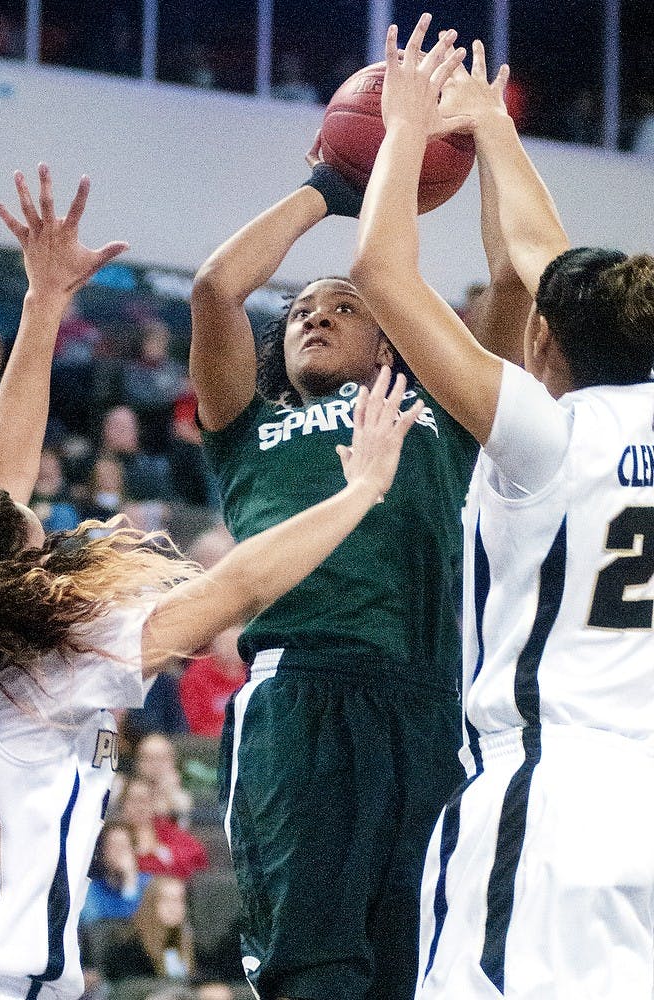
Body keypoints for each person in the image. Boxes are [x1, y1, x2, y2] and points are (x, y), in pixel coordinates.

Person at [0, 165, 424, 1000]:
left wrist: (42, 304)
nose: (49, 529)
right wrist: (359, 493)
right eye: (38, 536)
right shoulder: (53, 666)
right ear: (10, 578)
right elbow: (232, 589)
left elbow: (2, 483)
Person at [189, 56, 530, 1000]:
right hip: (300, 695)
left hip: (428, 700)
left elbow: (513, 284)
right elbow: (217, 289)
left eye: (343, 305)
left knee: (421, 966)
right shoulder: (246, 428)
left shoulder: (443, 408)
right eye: (299, 310)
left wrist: (492, 138)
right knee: (312, 969)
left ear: (392, 340)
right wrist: (328, 188)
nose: (313, 315)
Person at [350, 16, 654, 999]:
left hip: (545, 794)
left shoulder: (543, 434)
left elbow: (381, 279)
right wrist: (491, 129)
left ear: (541, 349)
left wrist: (401, 132)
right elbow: (548, 263)